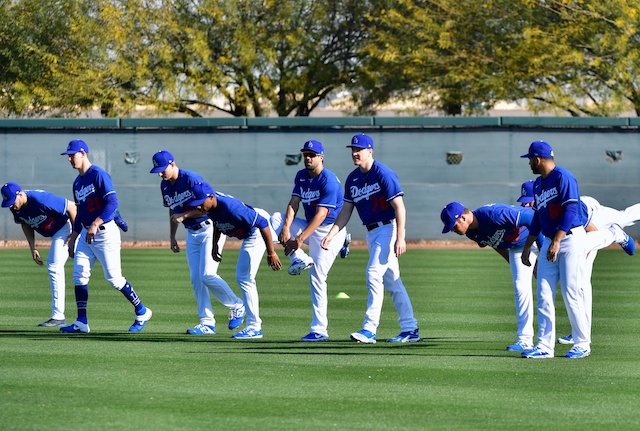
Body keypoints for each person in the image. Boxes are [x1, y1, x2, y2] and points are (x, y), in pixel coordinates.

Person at [321, 133, 420, 344]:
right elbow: (346, 210)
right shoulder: (353, 178)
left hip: (387, 229)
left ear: (370, 151)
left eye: (359, 149)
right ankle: (410, 328)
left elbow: (399, 207)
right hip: (371, 232)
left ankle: (369, 329)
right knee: (392, 282)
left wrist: (400, 238)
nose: (355, 153)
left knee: (373, 274)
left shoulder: (383, 173)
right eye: (352, 150)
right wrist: (331, 234)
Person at [518, 179, 638, 345]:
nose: (526, 206)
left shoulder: (560, 204)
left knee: (624, 217)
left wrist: (585, 253)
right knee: (582, 284)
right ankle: (580, 333)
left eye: (528, 201)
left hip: (593, 217)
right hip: (586, 216)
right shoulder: (542, 206)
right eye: (524, 202)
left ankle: (616, 234)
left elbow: (592, 231)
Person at [59, 139, 152, 333]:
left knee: (114, 279)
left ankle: (142, 311)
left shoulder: (98, 174)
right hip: (86, 233)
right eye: (68, 155)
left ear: (83, 153)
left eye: (72, 154)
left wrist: (95, 223)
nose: (69, 158)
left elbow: (112, 202)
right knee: (79, 276)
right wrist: (73, 236)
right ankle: (81, 322)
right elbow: (80, 211)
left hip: (104, 233)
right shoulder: (77, 183)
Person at [150, 150, 245, 335]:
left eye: (162, 169)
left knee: (208, 275)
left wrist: (184, 215)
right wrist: (172, 237)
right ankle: (207, 323)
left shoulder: (191, 179)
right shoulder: (164, 185)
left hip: (210, 228)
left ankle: (237, 305)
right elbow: (172, 210)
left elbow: (210, 206)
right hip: (192, 234)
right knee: (196, 279)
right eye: (158, 171)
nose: (160, 174)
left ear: (172, 164)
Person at [174, 182, 282, 339]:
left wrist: (271, 252)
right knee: (243, 277)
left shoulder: (231, 207)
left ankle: (254, 327)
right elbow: (217, 224)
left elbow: (263, 223)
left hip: (256, 232)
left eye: (200, 202)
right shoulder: (209, 207)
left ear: (211, 197)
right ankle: (250, 323)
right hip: (249, 231)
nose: (198, 207)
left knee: (245, 278)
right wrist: (214, 247)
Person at [271, 139, 349, 342]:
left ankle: (319, 330)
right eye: (305, 154)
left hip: (330, 231)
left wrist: (298, 238)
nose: (308, 157)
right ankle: (300, 259)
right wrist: (287, 229)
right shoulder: (301, 176)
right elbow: (293, 203)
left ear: (321, 158)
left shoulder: (328, 180)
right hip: (308, 225)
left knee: (317, 277)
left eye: (312, 155)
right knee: (276, 219)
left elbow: (322, 214)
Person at [520, 140, 591, 358]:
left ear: (537, 159)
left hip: (570, 240)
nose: (529, 163)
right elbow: (538, 219)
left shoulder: (563, 177)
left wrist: (557, 240)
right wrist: (527, 245)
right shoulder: (539, 184)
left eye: (530, 159)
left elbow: (571, 209)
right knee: (543, 293)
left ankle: (582, 344)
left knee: (572, 292)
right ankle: (544, 346)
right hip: (551, 242)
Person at [440, 201, 540, 352]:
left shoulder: (493, 214)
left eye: (453, 226)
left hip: (541, 235)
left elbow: (532, 218)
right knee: (520, 285)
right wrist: (511, 262)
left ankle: (575, 332)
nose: (453, 230)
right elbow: (496, 243)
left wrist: (543, 251)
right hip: (518, 247)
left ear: (463, 217)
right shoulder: (471, 232)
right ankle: (525, 339)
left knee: (560, 283)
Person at [1, 182, 77, 327]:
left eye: (12, 202)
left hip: (65, 227)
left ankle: (58, 316)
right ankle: (59, 315)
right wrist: (32, 247)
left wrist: (74, 235)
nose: (11, 206)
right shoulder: (16, 207)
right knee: (56, 266)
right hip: (55, 232)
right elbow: (25, 223)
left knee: (54, 266)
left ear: (21, 194)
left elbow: (72, 207)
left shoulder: (41, 199)